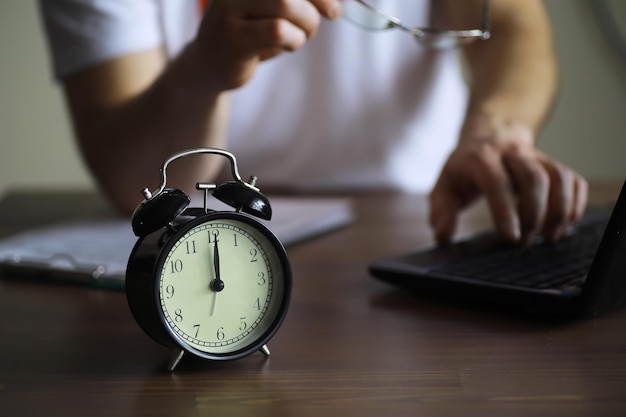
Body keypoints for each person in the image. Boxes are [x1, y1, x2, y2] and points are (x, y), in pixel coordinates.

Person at [38, 0, 587, 245]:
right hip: (208, 242)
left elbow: (514, 25)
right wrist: (206, 68)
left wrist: (493, 130)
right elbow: (137, 182)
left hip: (419, 232)